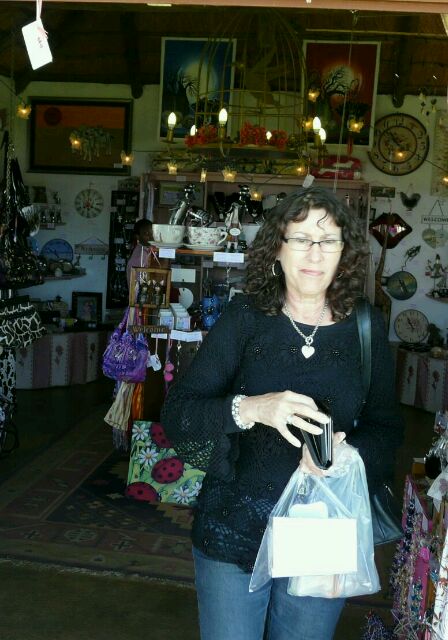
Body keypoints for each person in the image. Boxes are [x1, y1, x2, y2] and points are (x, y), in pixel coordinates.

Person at [161, 186, 403, 640]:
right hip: (234, 527)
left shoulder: (366, 326)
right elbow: (179, 413)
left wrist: (349, 454)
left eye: (328, 240)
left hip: (322, 531)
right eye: (301, 239)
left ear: (344, 254)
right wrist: (254, 408)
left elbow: (387, 428)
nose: (314, 253)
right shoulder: (245, 318)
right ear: (277, 248)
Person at [126, 218, 153, 287]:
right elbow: (138, 285)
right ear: (137, 236)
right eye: (146, 234)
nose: (151, 236)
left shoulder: (146, 250)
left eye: (152, 232)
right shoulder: (140, 255)